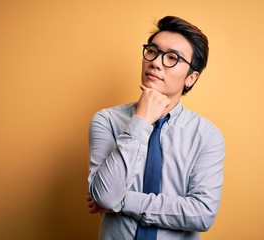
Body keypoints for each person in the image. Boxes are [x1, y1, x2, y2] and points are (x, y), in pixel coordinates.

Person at [87, 16, 225, 240]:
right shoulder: (106, 121)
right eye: (152, 51)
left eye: (172, 57)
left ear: (191, 78)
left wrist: (122, 201)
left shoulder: (207, 136)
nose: (156, 62)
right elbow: (104, 197)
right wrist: (141, 120)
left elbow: (202, 214)